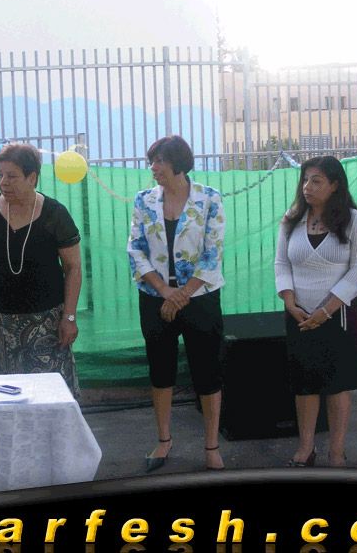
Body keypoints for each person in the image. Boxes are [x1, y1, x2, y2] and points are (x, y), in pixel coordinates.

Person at [127, 135, 226, 472]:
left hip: (200, 298)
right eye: (151, 161)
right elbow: (135, 248)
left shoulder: (209, 198)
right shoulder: (143, 200)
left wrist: (182, 294)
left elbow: (213, 252)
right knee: (160, 369)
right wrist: (164, 291)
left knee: (207, 372)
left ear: (178, 163)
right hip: (155, 298)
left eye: (159, 161)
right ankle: (163, 440)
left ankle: (211, 446)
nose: (153, 168)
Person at [0, 143, 82, 397]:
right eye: (0, 175)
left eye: (12, 176)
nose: (4, 182)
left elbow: (73, 267)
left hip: (45, 323)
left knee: (48, 398)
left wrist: (69, 317)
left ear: (32, 178)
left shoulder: (54, 214)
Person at [274, 156, 357, 468]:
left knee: (337, 384)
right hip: (300, 316)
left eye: (316, 181)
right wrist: (290, 302)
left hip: (340, 314)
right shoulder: (292, 219)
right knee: (305, 383)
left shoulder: (353, 219)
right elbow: (281, 264)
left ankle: (336, 452)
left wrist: (327, 310)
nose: (307, 187)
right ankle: (306, 449)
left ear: (334, 185)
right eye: (305, 180)